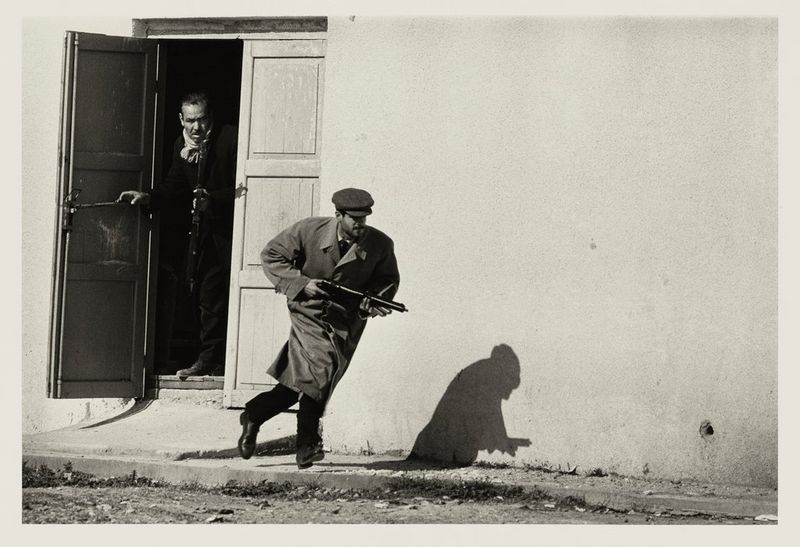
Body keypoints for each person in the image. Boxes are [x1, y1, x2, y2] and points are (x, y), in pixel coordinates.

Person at [237, 188, 400, 469]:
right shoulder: (309, 230)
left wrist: (373, 303)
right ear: (338, 215)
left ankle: (254, 413)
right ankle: (307, 445)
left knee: (299, 383)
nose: (360, 224)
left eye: (365, 218)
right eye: (354, 219)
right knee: (322, 369)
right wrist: (302, 284)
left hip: (345, 320)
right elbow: (271, 255)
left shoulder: (380, 244)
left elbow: (386, 280)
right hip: (307, 312)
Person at [118, 91, 237, 377]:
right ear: (181, 120)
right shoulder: (179, 146)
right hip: (203, 235)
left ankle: (220, 361)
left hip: (233, 230)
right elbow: (175, 185)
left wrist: (215, 200)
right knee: (205, 296)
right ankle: (209, 359)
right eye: (191, 121)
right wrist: (148, 197)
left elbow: (246, 185)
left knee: (224, 294)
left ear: (212, 118)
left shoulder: (231, 139)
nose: (197, 128)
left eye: (203, 120)